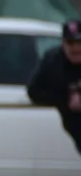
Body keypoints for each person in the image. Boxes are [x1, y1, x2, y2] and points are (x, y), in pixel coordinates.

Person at [27, 18, 81, 156]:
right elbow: (34, 91)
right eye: (70, 43)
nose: (75, 48)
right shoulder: (53, 61)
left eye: (79, 43)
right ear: (63, 43)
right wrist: (65, 99)